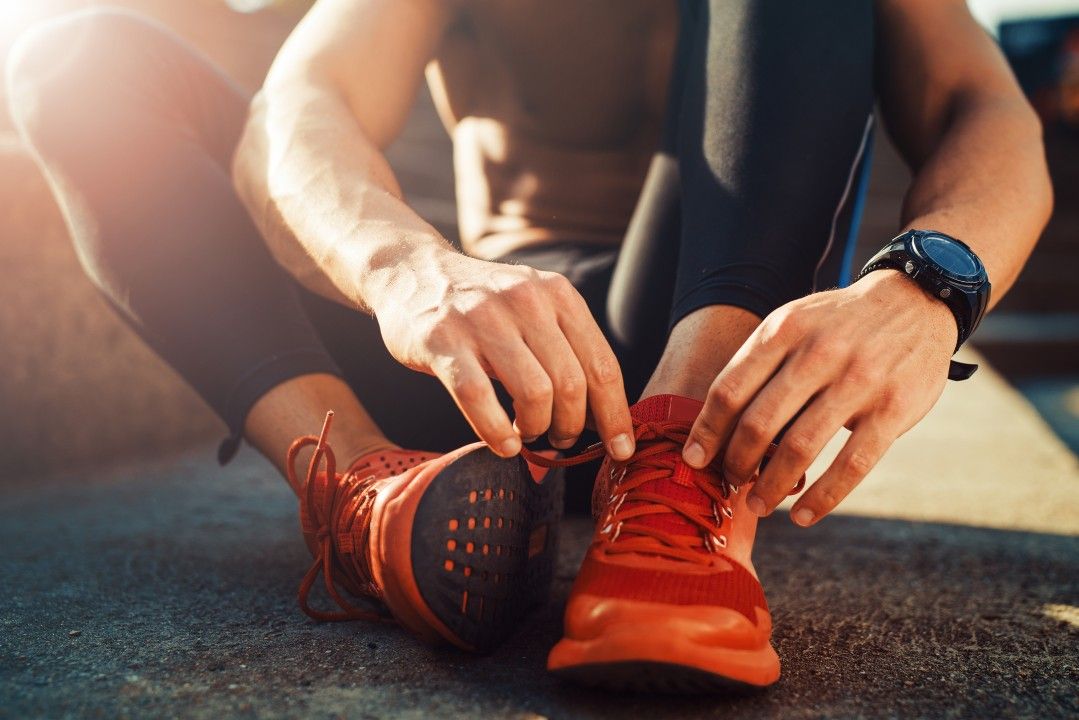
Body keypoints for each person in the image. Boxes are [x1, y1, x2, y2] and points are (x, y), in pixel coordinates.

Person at [6, 0, 1050, 692]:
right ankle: (360, 489)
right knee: (78, 58)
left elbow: (980, 105)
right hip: (487, 380)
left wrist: (923, 289)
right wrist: (406, 268)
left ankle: (676, 489)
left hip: (713, 357)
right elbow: (300, 106)